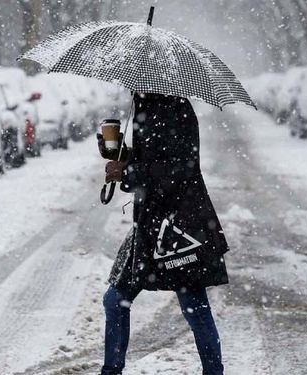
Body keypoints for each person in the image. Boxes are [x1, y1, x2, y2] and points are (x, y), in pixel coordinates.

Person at [98, 93, 229, 375]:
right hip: (150, 224)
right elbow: (154, 158)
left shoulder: (174, 108)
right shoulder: (146, 103)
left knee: (194, 306)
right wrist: (117, 153)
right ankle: (111, 371)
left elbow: (178, 169)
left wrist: (128, 172)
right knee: (115, 300)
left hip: (178, 226)